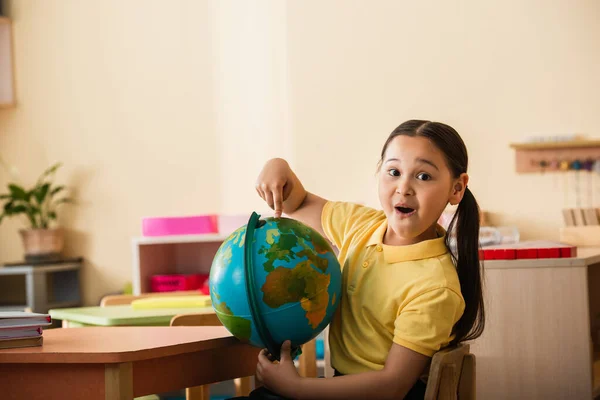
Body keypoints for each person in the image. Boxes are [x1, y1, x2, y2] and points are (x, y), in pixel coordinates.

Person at [233, 120, 484, 400]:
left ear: (456, 189)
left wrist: (297, 387)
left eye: (423, 176)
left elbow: (393, 385)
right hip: (341, 385)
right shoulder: (361, 224)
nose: (404, 188)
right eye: (393, 172)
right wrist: (277, 166)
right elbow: (297, 202)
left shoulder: (435, 285)